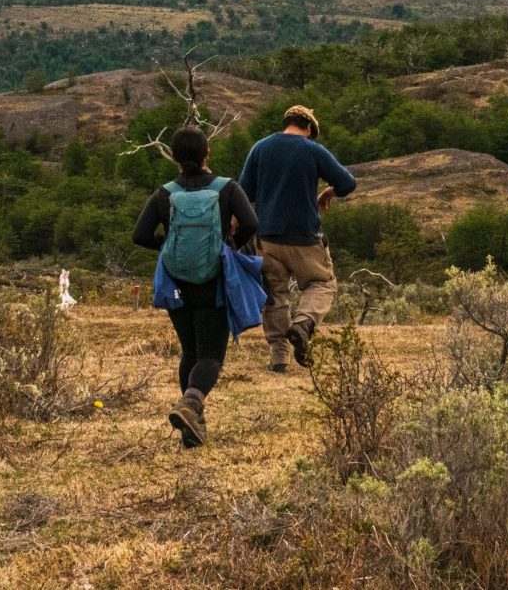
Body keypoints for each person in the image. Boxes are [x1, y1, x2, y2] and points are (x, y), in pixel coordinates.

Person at [131, 124, 258, 447]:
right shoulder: (226, 188)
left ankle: (192, 422)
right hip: (214, 282)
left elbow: (140, 235)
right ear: (207, 154)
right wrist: (231, 246)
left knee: (190, 350)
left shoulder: (164, 193)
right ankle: (190, 405)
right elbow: (252, 223)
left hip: (177, 284)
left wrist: (169, 245)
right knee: (211, 355)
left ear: (174, 157)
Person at [238, 104, 357, 371]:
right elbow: (348, 183)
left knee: (275, 295)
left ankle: (279, 358)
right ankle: (303, 325)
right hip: (305, 236)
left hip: (267, 237)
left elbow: (244, 193)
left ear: (287, 122)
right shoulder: (313, 150)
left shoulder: (260, 148)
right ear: (309, 128)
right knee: (322, 283)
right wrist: (328, 192)